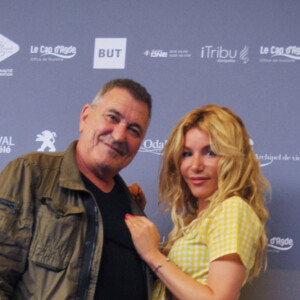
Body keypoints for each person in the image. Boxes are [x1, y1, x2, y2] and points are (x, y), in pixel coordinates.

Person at [0, 79, 153, 300]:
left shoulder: (135, 212)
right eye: (113, 117)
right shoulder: (31, 173)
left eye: (134, 130)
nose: (119, 135)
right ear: (85, 117)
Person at [125, 104, 270, 300]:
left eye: (210, 152)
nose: (195, 166)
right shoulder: (197, 219)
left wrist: (153, 256)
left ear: (232, 158)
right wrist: (137, 213)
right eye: (187, 153)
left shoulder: (232, 209)